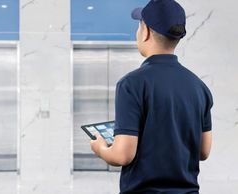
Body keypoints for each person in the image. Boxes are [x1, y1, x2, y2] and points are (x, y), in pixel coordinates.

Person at [89, 0, 213, 193]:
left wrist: (101, 148)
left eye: (139, 26)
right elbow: (203, 151)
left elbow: (123, 155)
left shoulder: (131, 84)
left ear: (145, 31)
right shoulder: (199, 87)